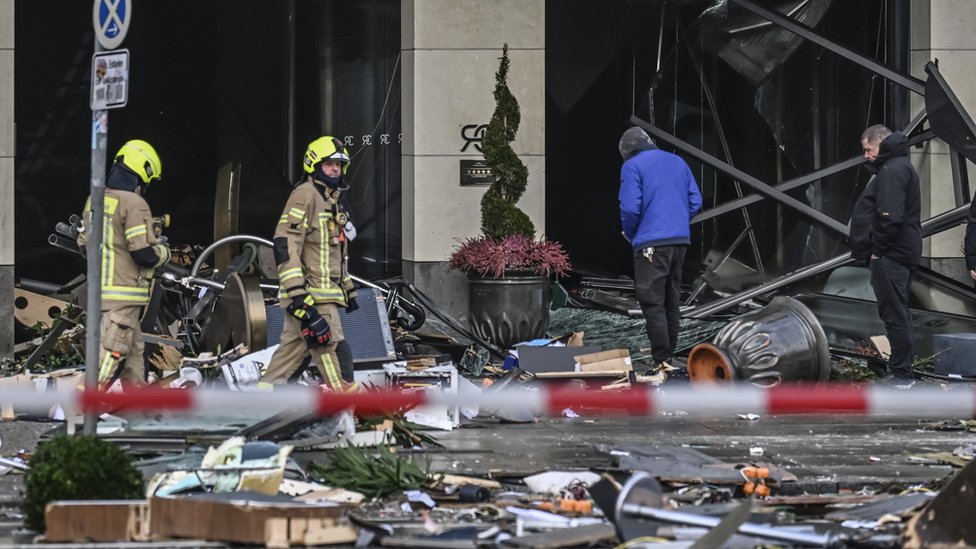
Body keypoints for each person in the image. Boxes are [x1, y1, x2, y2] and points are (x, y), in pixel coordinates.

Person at [262, 136, 359, 391]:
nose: (335, 169)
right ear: (314, 165)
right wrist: (297, 294)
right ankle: (348, 407)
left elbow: (332, 253)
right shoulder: (305, 195)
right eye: (329, 164)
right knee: (334, 352)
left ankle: (259, 404)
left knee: (286, 360)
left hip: (322, 293)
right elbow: (286, 243)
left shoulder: (330, 200)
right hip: (312, 296)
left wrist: (348, 289)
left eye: (339, 164)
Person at [77, 139, 170, 389]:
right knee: (110, 358)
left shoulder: (94, 202)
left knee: (134, 360)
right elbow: (144, 255)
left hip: (101, 295)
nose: (144, 187)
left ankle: (136, 415)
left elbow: (83, 246)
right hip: (124, 297)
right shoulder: (134, 204)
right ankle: (77, 410)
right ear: (143, 171)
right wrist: (164, 251)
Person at [618, 126, 702, 371]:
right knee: (671, 299)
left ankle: (661, 360)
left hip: (651, 244)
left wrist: (633, 233)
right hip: (679, 242)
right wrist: (674, 220)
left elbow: (630, 208)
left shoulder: (632, 166)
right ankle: (668, 358)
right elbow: (695, 201)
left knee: (651, 300)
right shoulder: (678, 162)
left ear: (628, 151)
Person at [850, 125, 922, 388]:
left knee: (894, 315)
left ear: (880, 144)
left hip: (892, 254)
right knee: (897, 313)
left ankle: (901, 375)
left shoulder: (892, 170)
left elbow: (890, 217)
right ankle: (901, 371)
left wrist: (878, 251)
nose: (866, 155)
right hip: (898, 252)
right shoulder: (898, 166)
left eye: (868, 149)